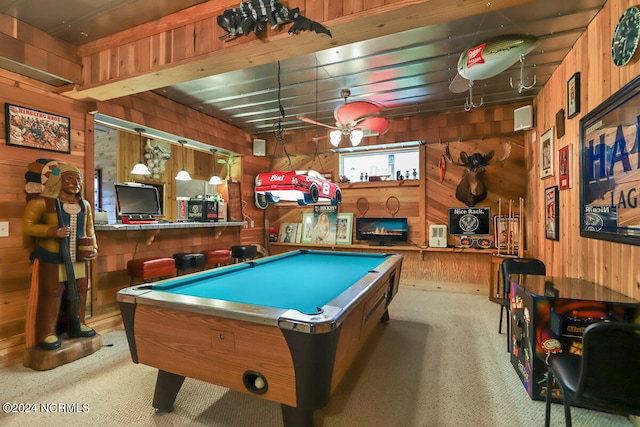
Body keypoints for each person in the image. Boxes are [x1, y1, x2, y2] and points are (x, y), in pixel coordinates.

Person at [23, 163, 98, 350]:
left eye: (78, 178)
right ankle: (47, 332)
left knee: (81, 291)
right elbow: (28, 226)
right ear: (58, 180)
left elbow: (89, 228)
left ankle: (78, 322)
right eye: (70, 178)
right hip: (53, 257)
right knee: (52, 294)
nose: (76, 182)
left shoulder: (84, 205)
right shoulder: (41, 203)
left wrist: (94, 247)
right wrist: (51, 231)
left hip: (79, 255)